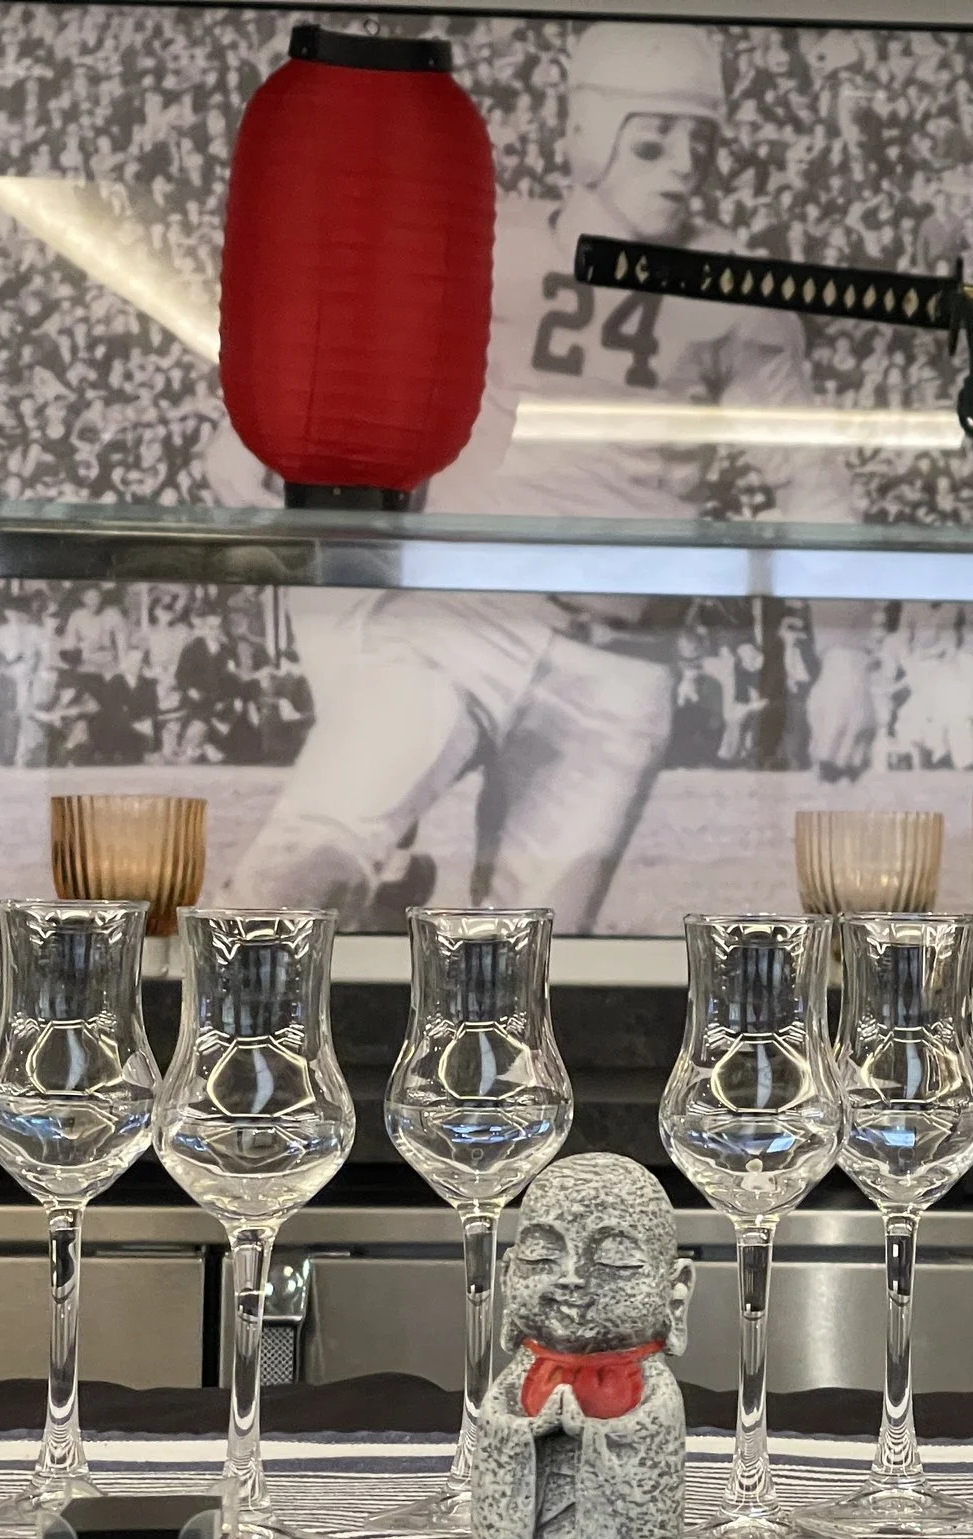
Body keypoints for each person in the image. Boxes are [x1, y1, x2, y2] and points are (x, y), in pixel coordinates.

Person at [225, 22, 854, 927]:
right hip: (462, 618)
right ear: (589, 135)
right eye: (654, 141)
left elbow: (811, 482)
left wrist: (849, 654)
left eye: (701, 143)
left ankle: (397, 918)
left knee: (528, 960)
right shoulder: (496, 242)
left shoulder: (736, 294)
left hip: (621, 664)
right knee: (302, 871)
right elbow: (348, 339)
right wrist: (261, 435)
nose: (684, 167)